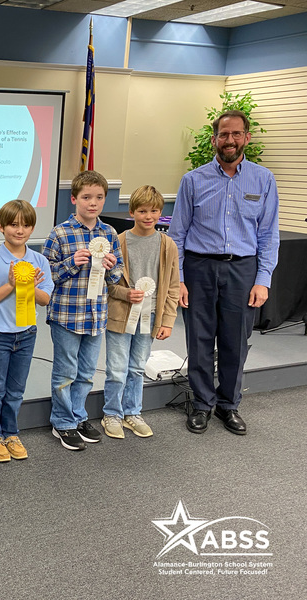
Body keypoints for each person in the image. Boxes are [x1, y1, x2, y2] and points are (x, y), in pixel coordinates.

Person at [168, 110, 279, 435]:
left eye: (236, 134)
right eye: (223, 134)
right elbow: (177, 235)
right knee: (199, 340)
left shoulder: (263, 179)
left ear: (246, 138)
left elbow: (268, 236)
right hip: (200, 268)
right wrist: (180, 280)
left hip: (242, 271)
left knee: (235, 342)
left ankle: (228, 405)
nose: (229, 140)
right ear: (215, 139)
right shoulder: (193, 180)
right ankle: (202, 405)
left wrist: (263, 280)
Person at [42, 170, 122, 451]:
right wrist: (71, 263)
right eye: (87, 197)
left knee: (87, 372)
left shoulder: (109, 233)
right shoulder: (60, 233)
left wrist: (113, 269)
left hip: (96, 315)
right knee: (65, 372)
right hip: (66, 314)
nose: (93, 203)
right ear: (74, 198)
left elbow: (118, 272)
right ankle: (62, 422)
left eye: (99, 197)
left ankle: (78, 415)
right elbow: (45, 274)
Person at [0, 200, 52, 462]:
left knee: (16, 390)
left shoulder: (39, 260)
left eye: (26, 225)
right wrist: (11, 285)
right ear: (1, 226)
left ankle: (10, 432)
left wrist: (31, 286)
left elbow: (45, 299)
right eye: (13, 224)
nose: (20, 230)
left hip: (26, 335)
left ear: (32, 229)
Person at [102, 185, 179, 439]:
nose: (149, 216)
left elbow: (173, 287)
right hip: (120, 315)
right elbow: (107, 282)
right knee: (116, 367)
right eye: (143, 210)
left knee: (137, 367)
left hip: (150, 318)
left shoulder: (168, 245)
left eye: (154, 211)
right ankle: (111, 413)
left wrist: (167, 320)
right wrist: (126, 294)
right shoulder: (119, 242)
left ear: (161, 213)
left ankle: (132, 412)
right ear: (132, 211)